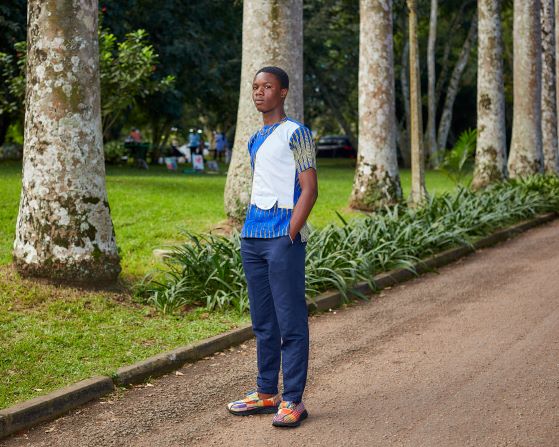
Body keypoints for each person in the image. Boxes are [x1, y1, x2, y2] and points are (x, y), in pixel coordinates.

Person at [226, 66, 318, 428]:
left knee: (290, 321)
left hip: (283, 238)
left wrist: (290, 234)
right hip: (253, 238)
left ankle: (293, 399)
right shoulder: (253, 139)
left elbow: (308, 189)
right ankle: (266, 392)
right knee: (263, 322)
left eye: (267, 86)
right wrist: (252, 235)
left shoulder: (298, 133)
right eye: (255, 87)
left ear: (283, 92)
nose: (259, 92)